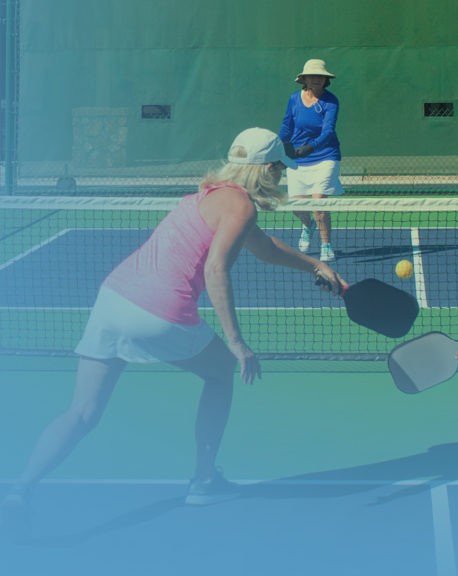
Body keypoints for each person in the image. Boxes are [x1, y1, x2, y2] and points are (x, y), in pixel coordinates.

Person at [0, 128, 345, 540]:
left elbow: (265, 248)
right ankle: (203, 481)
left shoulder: (211, 195)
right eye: (277, 169)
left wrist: (315, 266)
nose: (280, 176)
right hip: (158, 311)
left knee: (83, 412)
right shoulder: (240, 207)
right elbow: (217, 269)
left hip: (112, 299)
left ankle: (20, 491)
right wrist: (237, 343)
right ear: (267, 169)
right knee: (220, 371)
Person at [280, 58, 344, 260]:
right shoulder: (293, 99)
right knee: (297, 206)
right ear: (305, 79)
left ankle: (326, 245)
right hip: (298, 157)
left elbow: (328, 131)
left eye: (321, 76)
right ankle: (308, 226)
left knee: (318, 202)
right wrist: (279, 148)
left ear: (325, 80)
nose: (317, 79)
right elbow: (287, 126)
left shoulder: (331, 101)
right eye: (312, 76)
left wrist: (310, 147)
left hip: (325, 155)